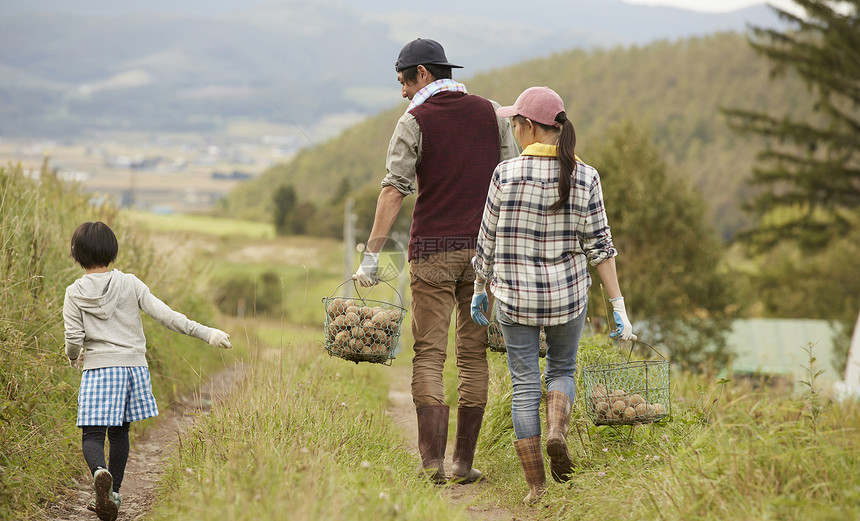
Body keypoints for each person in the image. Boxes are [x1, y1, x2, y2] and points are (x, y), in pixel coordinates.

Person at [353, 38, 519, 484]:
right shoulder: (492, 113)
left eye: (403, 82)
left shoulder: (414, 121)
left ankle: (432, 465)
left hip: (432, 251)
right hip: (485, 254)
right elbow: (511, 181)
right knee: (473, 355)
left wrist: (372, 256)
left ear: (422, 74)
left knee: (428, 354)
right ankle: (463, 464)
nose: (402, 92)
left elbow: (394, 189)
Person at [470, 86, 634, 504]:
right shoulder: (587, 175)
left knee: (525, 386)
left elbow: (485, 242)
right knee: (562, 370)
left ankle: (536, 489)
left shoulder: (504, 174)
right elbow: (601, 247)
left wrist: (479, 289)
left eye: (514, 123)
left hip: (515, 298)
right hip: (567, 299)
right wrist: (618, 307)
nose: (512, 129)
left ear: (526, 126)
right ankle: (557, 430)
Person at [63, 221, 232, 521]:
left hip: (99, 369)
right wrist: (207, 333)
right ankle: (112, 495)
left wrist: (74, 357)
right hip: (132, 369)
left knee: (92, 434)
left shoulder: (74, 292)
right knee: (119, 433)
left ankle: (99, 472)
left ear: (76, 253)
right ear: (112, 250)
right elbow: (166, 315)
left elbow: (74, 339)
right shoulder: (130, 283)